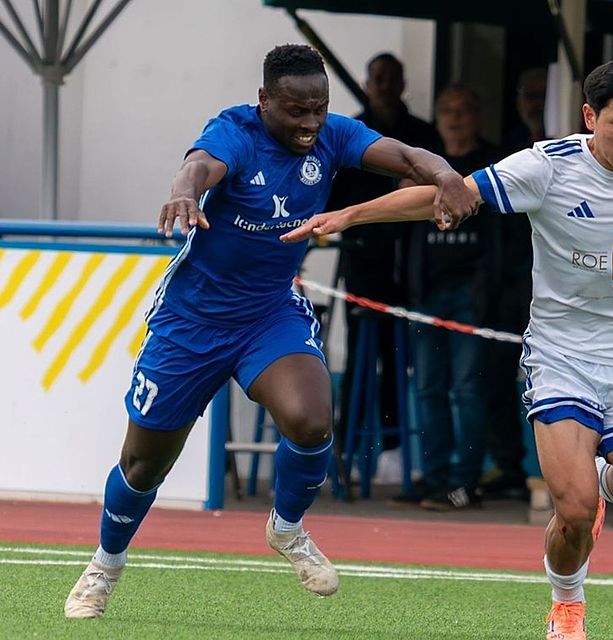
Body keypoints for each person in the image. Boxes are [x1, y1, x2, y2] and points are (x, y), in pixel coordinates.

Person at [282, 56, 613, 639]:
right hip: (560, 357)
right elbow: (451, 190)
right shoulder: (546, 167)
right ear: (590, 116)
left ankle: (606, 478)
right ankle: (567, 604)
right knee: (574, 511)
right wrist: (351, 216)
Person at [63, 43, 476, 619]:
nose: (309, 123)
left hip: (268, 314)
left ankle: (286, 527)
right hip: (193, 320)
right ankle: (105, 563)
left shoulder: (334, 134)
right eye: (295, 110)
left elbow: (407, 156)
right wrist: (184, 191)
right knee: (144, 463)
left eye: (318, 109)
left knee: (310, 419)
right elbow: (200, 165)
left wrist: (446, 175)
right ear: (264, 102)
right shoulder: (235, 129)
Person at [326, 52, 442, 486]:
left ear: (402, 83)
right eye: (377, 78)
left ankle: (396, 450)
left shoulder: (420, 135)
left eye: (392, 78)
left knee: (402, 358)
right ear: (367, 82)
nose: (384, 85)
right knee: (359, 357)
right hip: (363, 261)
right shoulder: (350, 133)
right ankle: (347, 452)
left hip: (412, 263)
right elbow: (332, 199)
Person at [396, 84, 502, 511]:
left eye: (464, 110)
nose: (455, 119)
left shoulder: (492, 165)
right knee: (426, 388)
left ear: (477, 116)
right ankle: (434, 476)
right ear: (437, 118)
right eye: (447, 111)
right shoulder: (425, 164)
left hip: (471, 297)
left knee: (466, 390)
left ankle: (465, 482)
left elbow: (505, 239)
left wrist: (493, 290)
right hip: (427, 293)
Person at [480, 68, 548, 501]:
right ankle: (509, 467)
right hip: (503, 281)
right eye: (527, 93)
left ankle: (569, 475)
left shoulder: (574, 152)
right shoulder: (508, 147)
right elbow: (467, 193)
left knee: (549, 385)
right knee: (495, 378)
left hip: (553, 288)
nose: (534, 101)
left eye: (543, 94)